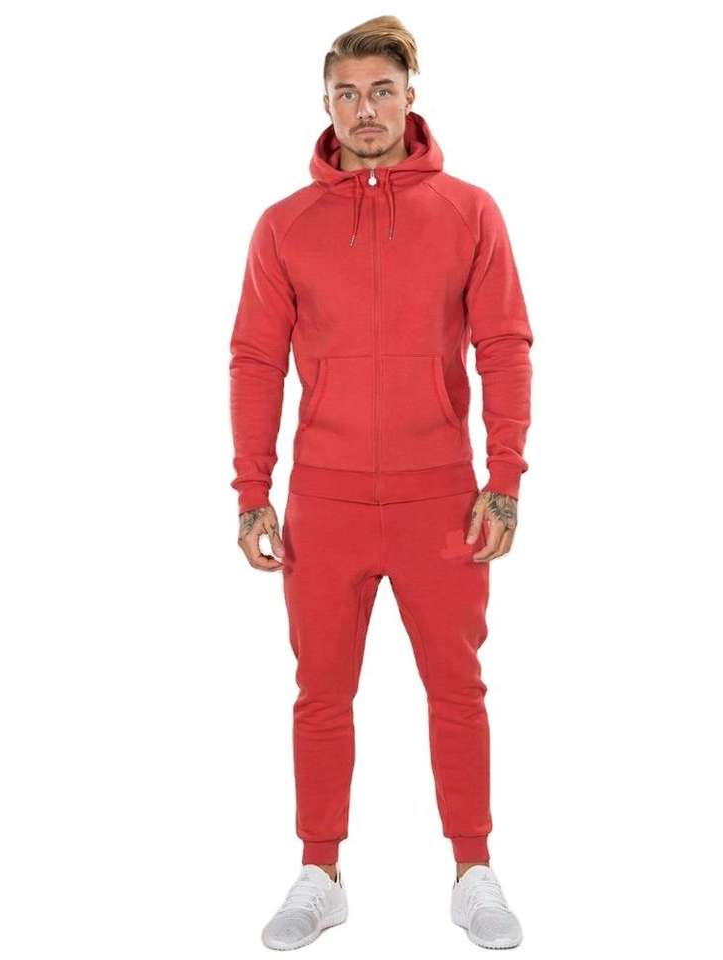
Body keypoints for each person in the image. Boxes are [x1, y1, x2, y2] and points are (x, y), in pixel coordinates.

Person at [229, 15, 533, 951]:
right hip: (323, 503)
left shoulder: (470, 212)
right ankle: (319, 873)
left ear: (411, 97)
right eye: (347, 94)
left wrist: (504, 478)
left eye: (382, 92)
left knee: (458, 688)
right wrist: (252, 490)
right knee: (320, 693)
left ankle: (473, 870)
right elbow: (255, 361)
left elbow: (503, 346)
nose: (365, 110)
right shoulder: (284, 225)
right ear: (326, 104)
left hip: (441, 497)